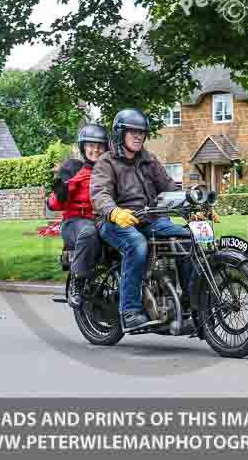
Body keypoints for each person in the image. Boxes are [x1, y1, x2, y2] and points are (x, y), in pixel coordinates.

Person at [90, 109, 195, 332]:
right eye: (133, 132)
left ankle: (189, 304)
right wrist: (115, 212)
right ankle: (129, 311)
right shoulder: (106, 162)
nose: (139, 136)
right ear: (120, 134)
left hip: (149, 218)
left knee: (187, 237)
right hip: (114, 221)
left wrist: (193, 206)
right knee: (137, 245)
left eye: (142, 133)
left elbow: (169, 187)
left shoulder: (148, 160)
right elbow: (99, 194)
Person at [47, 124, 109, 309]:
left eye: (100, 146)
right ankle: (77, 282)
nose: (95, 149)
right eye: (91, 145)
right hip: (76, 221)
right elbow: (54, 204)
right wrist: (64, 187)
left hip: (103, 220)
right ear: (83, 147)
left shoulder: (109, 170)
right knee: (88, 232)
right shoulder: (73, 168)